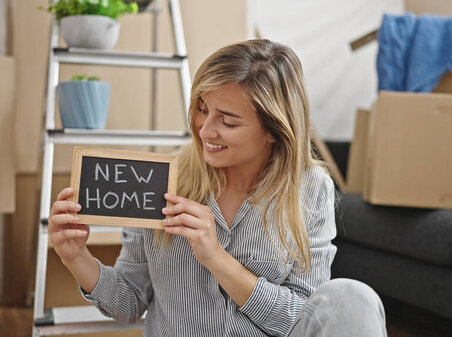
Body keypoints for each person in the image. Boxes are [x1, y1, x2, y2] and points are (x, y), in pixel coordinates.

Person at [48, 39, 386, 337]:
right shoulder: (164, 180)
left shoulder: (310, 189)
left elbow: (300, 319)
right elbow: (128, 303)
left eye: (227, 121)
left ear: (273, 130)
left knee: (354, 299)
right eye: (202, 109)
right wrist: (77, 258)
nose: (205, 130)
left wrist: (217, 259)